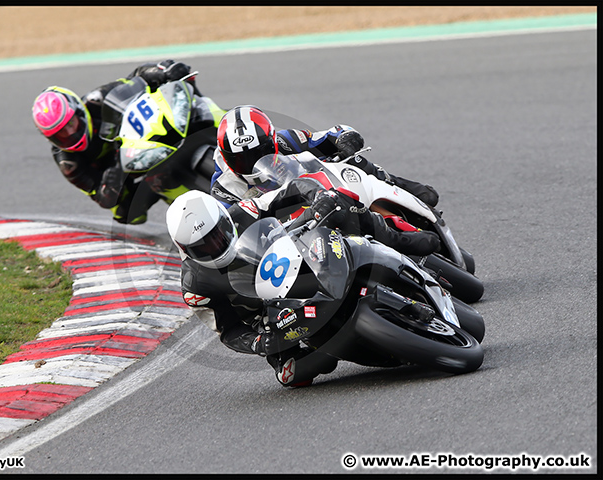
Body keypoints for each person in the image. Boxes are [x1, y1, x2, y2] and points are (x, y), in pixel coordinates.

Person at [166, 175, 440, 387]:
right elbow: (227, 330)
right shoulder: (195, 285)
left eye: (218, 235)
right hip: (270, 315)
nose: (216, 246)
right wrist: (257, 342)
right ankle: (343, 344)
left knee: (341, 208)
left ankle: (399, 240)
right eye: (203, 247)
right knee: (292, 376)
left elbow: (293, 188)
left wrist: (319, 197)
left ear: (225, 219)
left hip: (301, 259)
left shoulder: (245, 211)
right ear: (185, 250)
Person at [32, 60, 221, 225]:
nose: (70, 133)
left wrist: (161, 72)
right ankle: (198, 214)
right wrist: (111, 182)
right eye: (60, 135)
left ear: (78, 110)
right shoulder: (68, 162)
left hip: (142, 143)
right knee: (129, 212)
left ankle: (227, 130)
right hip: (126, 177)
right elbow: (101, 198)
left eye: (70, 124)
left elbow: (136, 80)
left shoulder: (97, 100)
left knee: (194, 107)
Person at [210, 105, 440, 210]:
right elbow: (227, 226)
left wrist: (346, 139)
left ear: (271, 141)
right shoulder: (223, 187)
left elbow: (332, 134)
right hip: (288, 224)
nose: (251, 163)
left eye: (259, 153)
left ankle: (398, 185)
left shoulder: (286, 140)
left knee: (353, 161)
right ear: (226, 156)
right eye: (241, 158)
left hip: (327, 190)